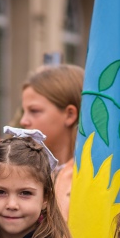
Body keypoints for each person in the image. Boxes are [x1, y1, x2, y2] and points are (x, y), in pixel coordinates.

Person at [18, 64, 83, 219]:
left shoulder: (90, 176)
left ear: (69, 115)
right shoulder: (20, 168)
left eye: (34, 111)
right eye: (23, 111)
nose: (23, 121)